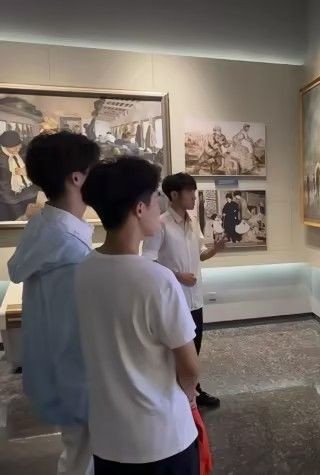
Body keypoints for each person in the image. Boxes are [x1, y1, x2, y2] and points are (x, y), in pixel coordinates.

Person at [76, 158, 200, 474]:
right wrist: (189, 398)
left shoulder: (83, 270)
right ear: (140, 209)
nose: (160, 207)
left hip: (108, 437)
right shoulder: (157, 279)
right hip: (162, 437)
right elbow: (189, 368)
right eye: (156, 199)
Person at [7, 131, 100, 475]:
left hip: (63, 377)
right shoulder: (68, 247)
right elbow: (73, 331)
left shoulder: (45, 227)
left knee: (78, 453)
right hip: (79, 379)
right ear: (77, 178)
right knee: (85, 458)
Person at [142, 172, 224, 408]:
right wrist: (177, 276)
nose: (194, 197)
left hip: (195, 299)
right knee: (177, 351)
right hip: (173, 300)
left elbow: (200, 254)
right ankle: (178, 396)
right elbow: (148, 261)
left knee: (194, 347)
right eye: (190, 192)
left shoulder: (193, 221)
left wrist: (215, 249)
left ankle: (193, 391)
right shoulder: (160, 224)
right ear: (174, 194)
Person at [0, 130, 40, 221]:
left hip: (30, 195)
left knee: (29, 221)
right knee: (13, 223)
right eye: (13, 148)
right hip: (8, 199)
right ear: (4, 146)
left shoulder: (27, 151)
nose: (17, 149)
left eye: (19, 145)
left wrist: (29, 171)